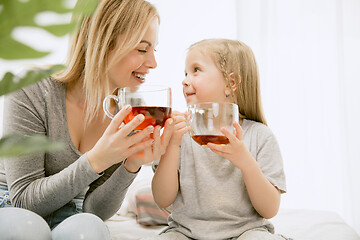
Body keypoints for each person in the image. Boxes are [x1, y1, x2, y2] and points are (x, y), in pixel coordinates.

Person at [0, 0, 175, 239]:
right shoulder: (33, 89)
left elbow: (94, 210)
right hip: (11, 206)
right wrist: (97, 159)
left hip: (71, 211)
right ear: (102, 43)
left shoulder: (123, 110)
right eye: (142, 49)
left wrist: (131, 165)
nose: (153, 63)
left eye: (154, 50)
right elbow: (24, 201)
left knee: (90, 228)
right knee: (28, 229)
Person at [146, 39, 290, 240]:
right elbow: (162, 199)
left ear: (231, 84)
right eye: (185, 73)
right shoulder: (180, 134)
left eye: (196, 70)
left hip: (246, 233)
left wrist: (245, 162)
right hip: (186, 233)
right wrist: (172, 145)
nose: (185, 80)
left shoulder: (260, 136)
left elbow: (269, 209)